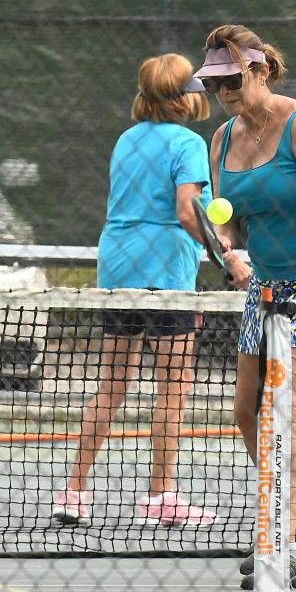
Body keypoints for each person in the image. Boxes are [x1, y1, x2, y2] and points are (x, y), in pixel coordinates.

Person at [195, 24, 296, 590]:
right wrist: (227, 252)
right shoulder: (221, 141)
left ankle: (282, 541)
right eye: (215, 83)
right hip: (264, 290)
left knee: (280, 410)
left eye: (233, 78)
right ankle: (294, 518)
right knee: (247, 412)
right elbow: (222, 220)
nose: (224, 90)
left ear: (261, 69)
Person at [52, 53, 218, 527]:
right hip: (165, 270)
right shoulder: (188, 142)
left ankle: (73, 493)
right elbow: (189, 211)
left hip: (118, 266)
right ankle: (162, 498)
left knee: (112, 383)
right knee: (172, 388)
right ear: (187, 97)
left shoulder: (126, 140)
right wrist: (225, 253)